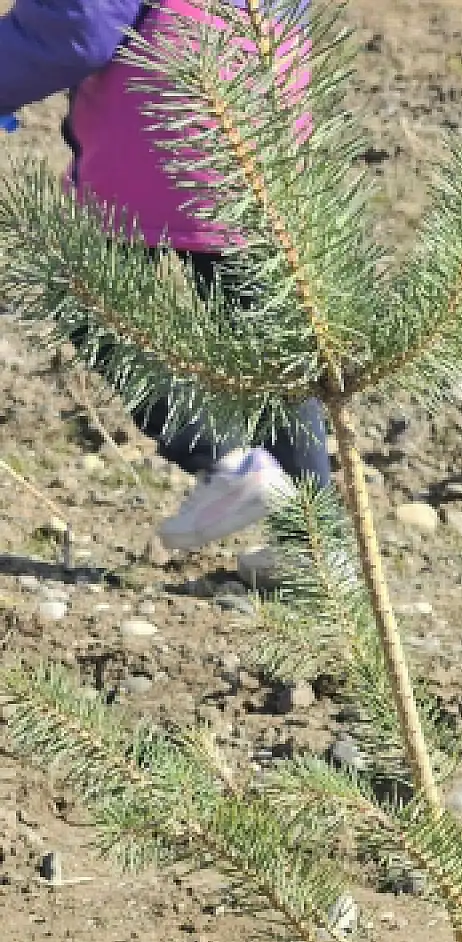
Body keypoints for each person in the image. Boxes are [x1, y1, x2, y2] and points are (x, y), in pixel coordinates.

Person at [0, 0, 329, 551]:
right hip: (265, 96)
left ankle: (223, 460)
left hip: (164, 110)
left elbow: (78, 26)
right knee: (270, 339)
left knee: (88, 292)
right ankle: (319, 551)